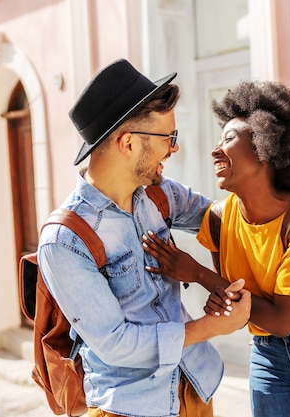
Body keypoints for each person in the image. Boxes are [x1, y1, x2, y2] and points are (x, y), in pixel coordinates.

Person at [142, 80, 290, 417]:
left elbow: (282, 319)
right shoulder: (219, 219)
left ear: (267, 146)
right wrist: (224, 295)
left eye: (230, 138)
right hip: (268, 357)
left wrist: (196, 273)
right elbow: (235, 302)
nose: (215, 149)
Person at [37, 59, 253, 417]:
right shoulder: (65, 240)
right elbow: (115, 344)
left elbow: (229, 218)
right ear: (128, 144)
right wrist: (212, 326)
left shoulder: (158, 194)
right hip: (132, 407)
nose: (174, 148)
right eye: (169, 137)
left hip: (197, 388)